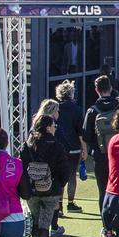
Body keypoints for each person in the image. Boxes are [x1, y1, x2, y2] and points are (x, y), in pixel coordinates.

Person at [20, 114, 70, 237]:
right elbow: (64, 171)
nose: (55, 128)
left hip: (32, 191)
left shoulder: (27, 145)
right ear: (48, 127)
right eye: (53, 125)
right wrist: (58, 185)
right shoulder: (57, 146)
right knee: (44, 224)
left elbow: (21, 168)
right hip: (51, 191)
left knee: (35, 223)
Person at [82, 75, 119, 237]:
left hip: (101, 157)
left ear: (96, 90)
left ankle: (107, 229)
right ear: (111, 87)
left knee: (104, 192)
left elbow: (86, 135)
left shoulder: (93, 111)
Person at [54, 80, 87, 214]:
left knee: (58, 175)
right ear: (71, 94)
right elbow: (80, 133)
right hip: (74, 147)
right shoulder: (78, 110)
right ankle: (70, 203)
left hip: (58, 147)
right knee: (72, 175)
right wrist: (84, 149)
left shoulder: (55, 109)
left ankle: (59, 205)